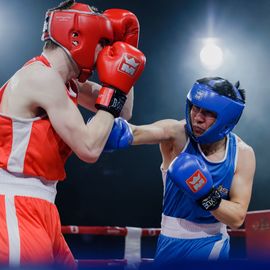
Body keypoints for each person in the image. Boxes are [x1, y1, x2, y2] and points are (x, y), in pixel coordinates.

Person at [0, 0, 145, 268]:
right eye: (104, 42)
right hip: (14, 203)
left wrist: (128, 56)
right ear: (78, 36)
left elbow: (122, 110)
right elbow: (89, 148)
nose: (105, 51)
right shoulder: (39, 78)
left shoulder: (67, 84)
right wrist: (112, 91)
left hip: (43, 206)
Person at [105, 77, 256, 263]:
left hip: (212, 244)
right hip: (168, 242)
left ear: (226, 119)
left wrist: (206, 196)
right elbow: (135, 132)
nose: (198, 117)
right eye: (195, 108)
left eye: (208, 113)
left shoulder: (242, 154)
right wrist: (109, 129)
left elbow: (237, 218)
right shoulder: (177, 134)